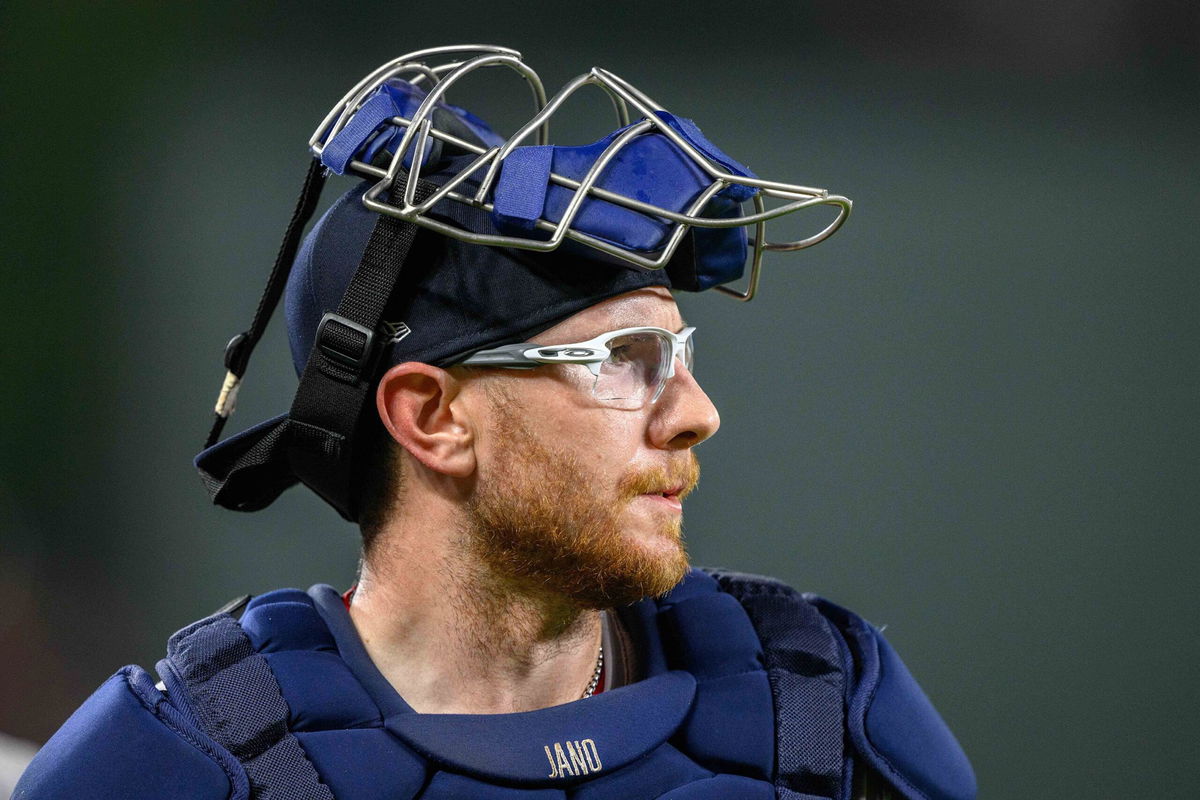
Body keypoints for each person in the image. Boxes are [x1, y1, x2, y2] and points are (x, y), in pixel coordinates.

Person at [14, 46, 975, 800]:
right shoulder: (181, 764)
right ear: (431, 419)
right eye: (623, 363)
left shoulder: (823, 713)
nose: (697, 415)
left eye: (683, 358)